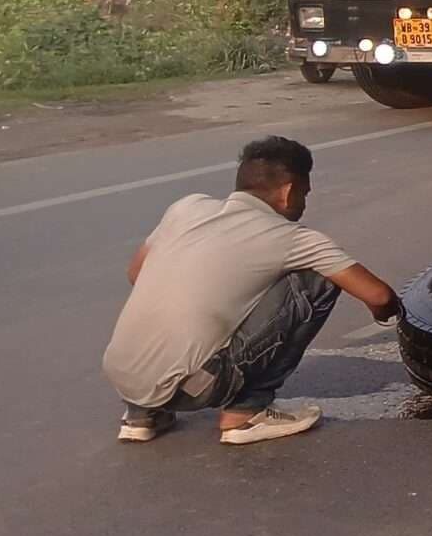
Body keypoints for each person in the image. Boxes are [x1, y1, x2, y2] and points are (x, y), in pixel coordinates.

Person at [103, 136, 403, 446]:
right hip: (196, 386)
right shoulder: (294, 237)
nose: (303, 203)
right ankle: (246, 414)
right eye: (305, 194)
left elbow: (136, 273)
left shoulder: (186, 207)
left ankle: (142, 415)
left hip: (122, 375)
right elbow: (379, 296)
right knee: (320, 281)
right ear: (289, 192)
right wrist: (393, 314)